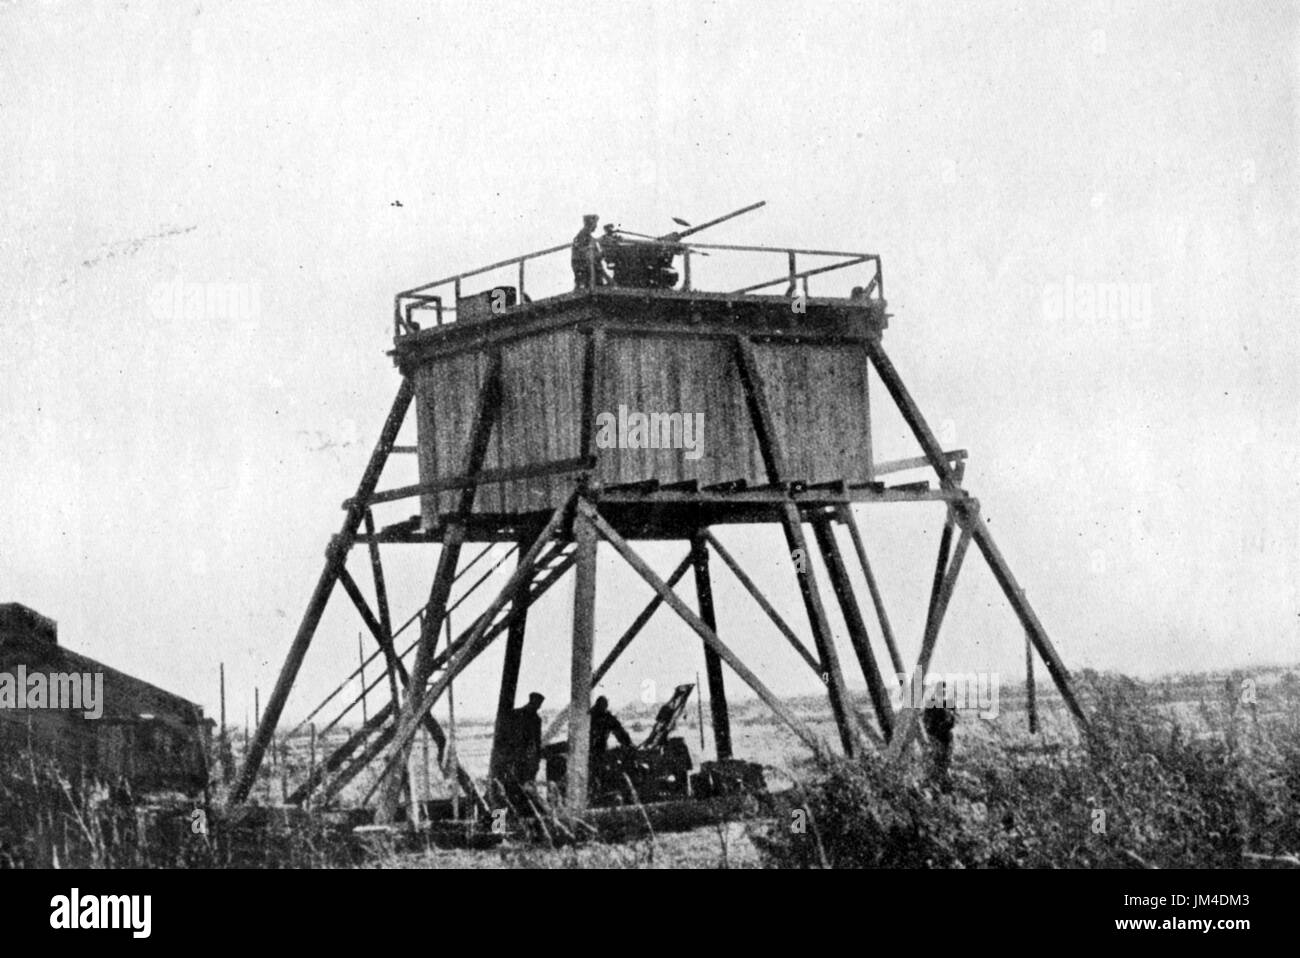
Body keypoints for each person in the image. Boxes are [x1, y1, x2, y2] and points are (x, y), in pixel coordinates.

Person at [498, 691, 545, 811]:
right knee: (521, 783)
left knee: (513, 784)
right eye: (538, 704)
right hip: (521, 756)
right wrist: (536, 757)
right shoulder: (534, 719)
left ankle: (514, 809)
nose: (539, 707)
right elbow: (536, 741)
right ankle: (520, 809)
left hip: (515, 755)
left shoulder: (516, 714)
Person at [922, 679, 958, 790]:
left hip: (946, 736)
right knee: (938, 759)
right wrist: (931, 732)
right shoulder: (931, 704)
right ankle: (937, 782)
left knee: (946, 759)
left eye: (944, 691)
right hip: (936, 736)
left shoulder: (949, 703)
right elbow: (926, 720)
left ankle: (942, 782)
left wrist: (950, 718)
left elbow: (954, 718)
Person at [571, 214, 609, 288]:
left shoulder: (588, 237)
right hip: (587, 275)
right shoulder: (582, 237)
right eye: (595, 223)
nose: (596, 226)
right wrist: (603, 253)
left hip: (591, 274)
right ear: (591, 224)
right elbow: (587, 256)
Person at [589, 695, 632, 760]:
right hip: (595, 752)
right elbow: (620, 732)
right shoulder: (606, 717)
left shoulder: (605, 717)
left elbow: (620, 732)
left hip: (594, 751)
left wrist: (627, 743)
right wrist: (628, 744)